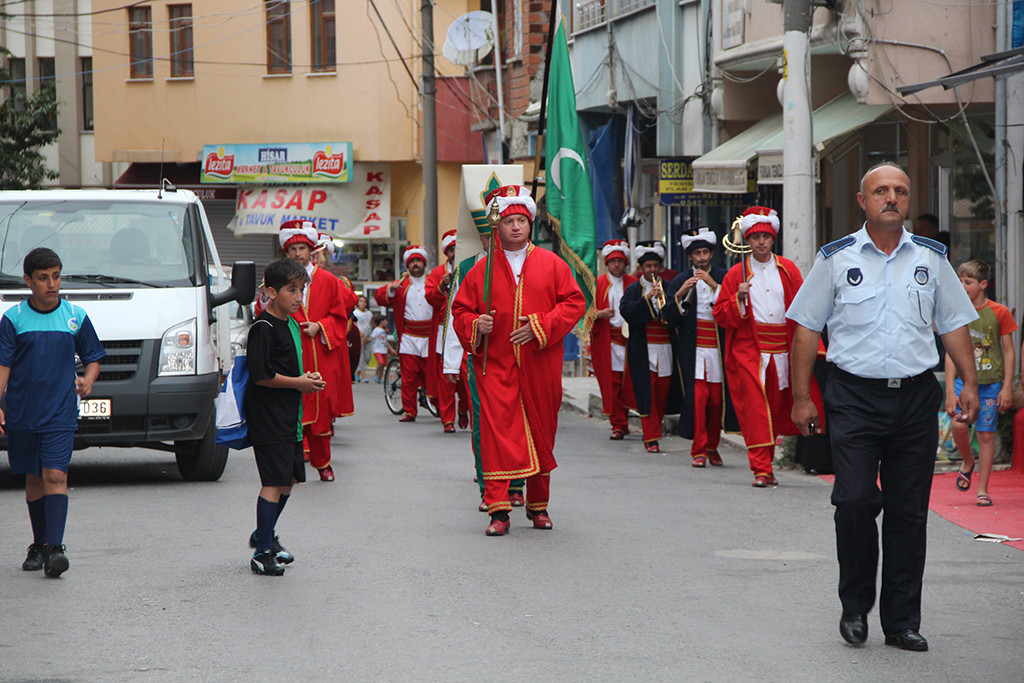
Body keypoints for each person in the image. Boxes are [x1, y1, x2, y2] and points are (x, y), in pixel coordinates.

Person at [788, 162, 979, 652]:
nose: (891, 198)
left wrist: (970, 384)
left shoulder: (932, 259)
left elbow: (954, 323)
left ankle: (901, 620)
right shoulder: (836, 258)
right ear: (862, 200)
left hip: (915, 397)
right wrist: (803, 397)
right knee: (853, 501)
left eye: (899, 190)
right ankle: (855, 607)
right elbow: (807, 328)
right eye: (881, 191)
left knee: (908, 512)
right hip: (853, 396)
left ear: (908, 200)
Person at [451, 184, 585, 536]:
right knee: (497, 434)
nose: (515, 227)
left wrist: (539, 326)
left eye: (520, 220)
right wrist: (475, 324)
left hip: (540, 364)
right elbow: (460, 309)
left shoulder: (551, 263)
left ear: (529, 224)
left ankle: (538, 506)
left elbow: (574, 303)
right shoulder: (481, 270)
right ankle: (498, 509)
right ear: (497, 226)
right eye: (508, 220)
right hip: (494, 365)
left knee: (542, 430)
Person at [0, 247, 105, 577]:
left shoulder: (75, 315)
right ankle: (40, 544)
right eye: (43, 278)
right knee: (34, 479)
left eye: (56, 276)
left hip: (60, 412)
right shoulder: (13, 319)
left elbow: (93, 357)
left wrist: (88, 380)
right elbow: (3, 367)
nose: (51, 284)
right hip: (22, 413)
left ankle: (56, 549)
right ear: (28, 280)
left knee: (55, 475)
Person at [713, 206, 821, 487]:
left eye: (766, 236)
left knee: (774, 408)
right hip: (750, 351)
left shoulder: (789, 270)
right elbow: (721, 315)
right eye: (755, 237)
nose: (761, 242)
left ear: (774, 239)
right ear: (747, 241)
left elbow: (804, 310)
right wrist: (737, 299)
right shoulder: (735, 274)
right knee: (756, 408)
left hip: (784, 350)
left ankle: (768, 465)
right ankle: (760, 469)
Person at [245, 258, 326, 575]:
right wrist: (299, 383)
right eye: (291, 290)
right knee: (273, 481)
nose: (298, 297)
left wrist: (306, 377)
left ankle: (263, 534)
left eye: (301, 290)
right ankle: (262, 552)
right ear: (271, 291)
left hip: (290, 415)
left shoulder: (292, 324)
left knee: (290, 479)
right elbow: (261, 375)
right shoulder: (263, 329)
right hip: (269, 415)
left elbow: (287, 368)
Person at [442, 215, 527, 510]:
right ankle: (488, 488)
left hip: (521, 358)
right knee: (485, 425)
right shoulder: (468, 268)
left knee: (520, 420)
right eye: (488, 235)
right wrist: (452, 362)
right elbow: (457, 315)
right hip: (484, 360)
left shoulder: (526, 263)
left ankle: (517, 485)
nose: (494, 240)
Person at [277, 220, 355, 482]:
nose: (298, 254)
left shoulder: (329, 280)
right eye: (293, 249)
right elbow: (264, 311)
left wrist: (320, 326)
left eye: (302, 248)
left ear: (311, 249)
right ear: (286, 253)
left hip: (321, 353)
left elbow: (340, 316)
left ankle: (323, 463)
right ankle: (294, 464)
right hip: (291, 353)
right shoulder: (278, 279)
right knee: (293, 410)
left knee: (321, 410)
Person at [665, 228, 739, 467]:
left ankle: (712, 446)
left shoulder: (723, 276)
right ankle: (698, 450)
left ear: (712, 254)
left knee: (717, 401)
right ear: (690, 256)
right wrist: (681, 293)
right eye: (697, 253)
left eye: (705, 252)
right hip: (693, 350)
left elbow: (733, 307)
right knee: (697, 399)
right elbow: (669, 318)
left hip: (718, 349)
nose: (702, 257)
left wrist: (715, 286)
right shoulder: (680, 279)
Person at [944, 259, 1016, 507]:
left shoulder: (1000, 312)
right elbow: (951, 354)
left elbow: (1008, 351)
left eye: (968, 282)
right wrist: (949, 390)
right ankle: (967, 461)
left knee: (986, 435)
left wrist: (1007, 387)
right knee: (959, 425)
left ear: (983, 284)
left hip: (991, 383)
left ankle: (982, 489)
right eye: (960, 281)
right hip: (964, 384)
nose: (962, 286)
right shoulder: (955, 312)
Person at [620, 240, 681, 453]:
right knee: (648, 392)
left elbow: (676, 312)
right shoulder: (633, 289)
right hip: (643, 349)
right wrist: (647, 299)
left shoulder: (668, 285)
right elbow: (626, 311)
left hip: (665, 347)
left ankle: (656, 429)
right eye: (648, 266)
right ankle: (651, 437)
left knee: (663, 391)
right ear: (641, 268)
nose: (652, 270)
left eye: (655, 266)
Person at [375, 246, 433, 423]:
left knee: (431, 373)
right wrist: (391, 289)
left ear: (424, 263)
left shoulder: (432, 281)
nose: (415, 264)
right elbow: (379, 296)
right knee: (408, 375)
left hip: (430, 336)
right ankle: (410, 410)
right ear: (408, 265)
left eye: (418, 261)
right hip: (408, 335)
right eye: (412, 262)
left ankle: (435, 401)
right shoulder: (401, 284)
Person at [591, 239, 637, 440]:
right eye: (612, 261)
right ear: (606, 263)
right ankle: (618, 424)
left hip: (631, 340)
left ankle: (628, 418)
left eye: (620, 261)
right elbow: (583, 312)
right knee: (612, 383)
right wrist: (599, 314)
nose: (616, 265)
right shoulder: (596, 284)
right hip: (607, 340)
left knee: (630, 382)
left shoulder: (633, 284)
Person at [425, 229, 469, 433]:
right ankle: (447, 420)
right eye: (451, 249)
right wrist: (442, 287)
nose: (454, 252)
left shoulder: (471, 268)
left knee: (467, 376)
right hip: (444, 332)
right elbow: (430, 299)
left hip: (466, 330)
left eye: (457, 248)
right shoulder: (437, 273)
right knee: (446, 379)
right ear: (446, 252)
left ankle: (464, 408)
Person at [353, 295, 374, 383]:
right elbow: (354, 323)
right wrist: (361, 334)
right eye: (361, 301)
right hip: (360, 336)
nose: (363, 303)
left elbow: (371, 324)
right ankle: (364, 375)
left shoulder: (369, 313)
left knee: (367, 356)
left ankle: (357, 372)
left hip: (368, 337)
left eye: (364, 302)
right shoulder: (356, 313)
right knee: (361, 356)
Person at [370, 314, 396, 383]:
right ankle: (376, 374)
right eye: (385, 320)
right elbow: (372, 337)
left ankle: (380, 377)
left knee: (384, 364)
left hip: (384, 350)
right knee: (380, 362)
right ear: (381, 321)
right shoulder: (376, 330)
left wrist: (391, 349)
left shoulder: (384, 331)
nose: (387, 322)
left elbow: (386, 341)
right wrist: (366, 340)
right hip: (377, 349)